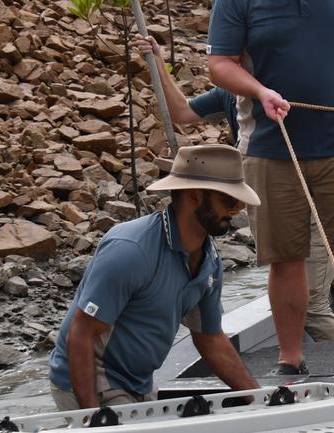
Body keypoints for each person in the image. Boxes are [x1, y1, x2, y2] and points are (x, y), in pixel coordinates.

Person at [207, 0, 334, 376]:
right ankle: (290, 360)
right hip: (269, 147)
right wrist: (260, 91)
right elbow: (219, 64)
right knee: (285, 257)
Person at [139, 34, 334, 345]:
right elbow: (181, 114)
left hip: (313, 205)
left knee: (315, 305)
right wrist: (158, 63)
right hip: (287, 209)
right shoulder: (228, 94)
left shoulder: (290, 85)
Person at [47, 144, 261, 410]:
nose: (238, 208)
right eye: (229, 200)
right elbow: (82, 333)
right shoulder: (131, 251)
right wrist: (91, 416)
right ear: (194, 195)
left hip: (140, 382)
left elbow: (210, 338)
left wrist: (260, 399)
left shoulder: (209, 259)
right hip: (93, 381)